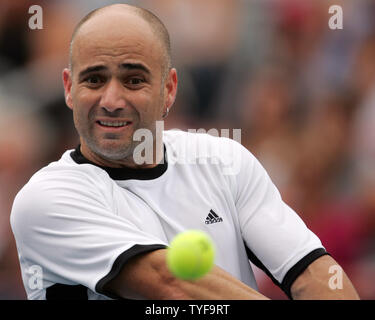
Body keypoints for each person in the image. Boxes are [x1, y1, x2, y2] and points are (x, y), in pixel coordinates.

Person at [10, 4, 359, 300]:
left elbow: (313, 270)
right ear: (70, 89)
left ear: (169, 90)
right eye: (94, 80)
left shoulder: (225, 161)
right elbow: (171, 283)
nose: (112, 101)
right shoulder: (44, 200)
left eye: (133, 80)